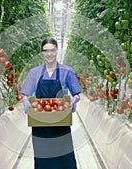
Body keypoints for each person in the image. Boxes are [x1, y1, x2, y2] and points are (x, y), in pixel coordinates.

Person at [20, 37, 81, 169]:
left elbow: (77, 94)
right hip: (40, 124)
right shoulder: (34, 73)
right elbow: (25, 93)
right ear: (42, 53)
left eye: (52, 50)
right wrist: (25, 100)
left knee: (64, 159)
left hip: (61, 122)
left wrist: (74, 100)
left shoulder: (67, 71)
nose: (49, 54)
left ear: (56, 51)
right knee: (43, 159)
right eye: (46, 51)